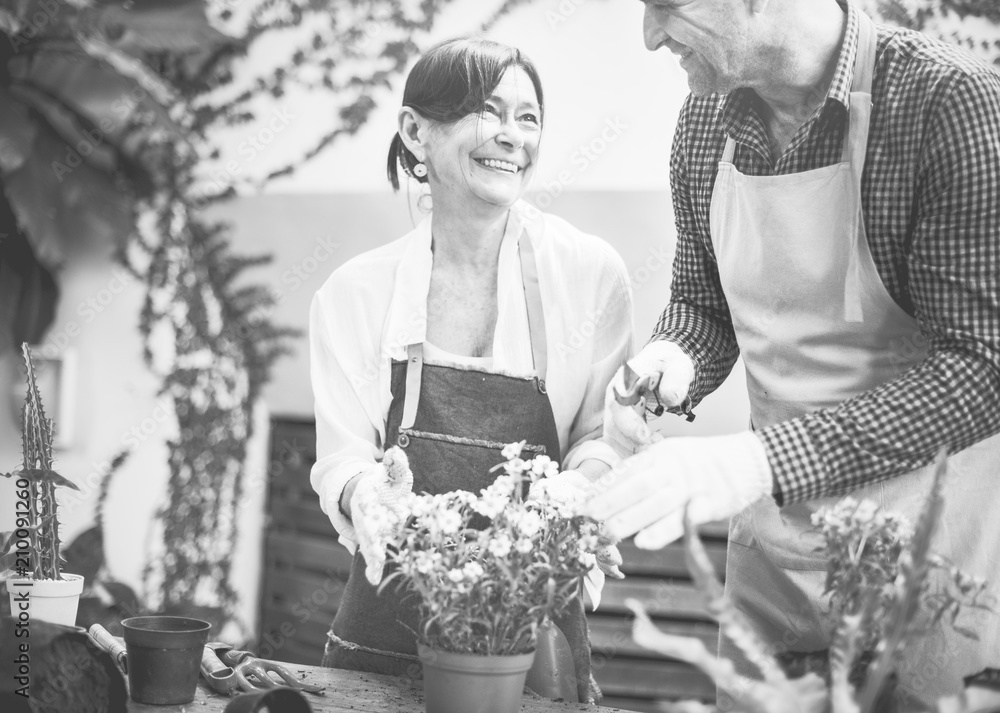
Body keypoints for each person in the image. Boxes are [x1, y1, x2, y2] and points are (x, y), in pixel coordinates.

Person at [584, 0, 1000, 706]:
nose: (650, 37)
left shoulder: (947, 103)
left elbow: (982, 368)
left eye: (665, 7)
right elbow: (702, 301)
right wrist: (669, 362)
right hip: (775, 572)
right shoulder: (704, 120)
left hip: (934, 574)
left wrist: (755, 462)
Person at [308, 37, 632, 703]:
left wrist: (572, 499)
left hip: (534, 640)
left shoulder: (590, 275)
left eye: (529, 117)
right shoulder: (355, 292)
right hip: (382, 637)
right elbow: (339, 460)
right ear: (414, 131)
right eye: (489, 111)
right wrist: (366, 494)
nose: (512, 137)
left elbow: (605, 435)